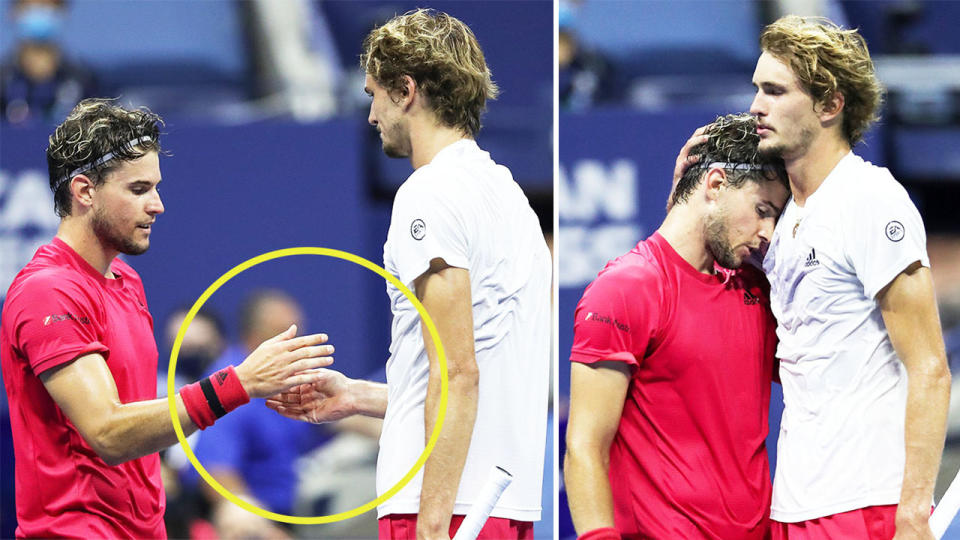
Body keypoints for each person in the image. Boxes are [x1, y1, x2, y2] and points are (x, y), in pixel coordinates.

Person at [268, 9, 551, 540]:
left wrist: (432, 522)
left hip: (444, 504)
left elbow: (457, 373)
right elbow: (470, 367)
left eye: (374, 93)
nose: (372, 114)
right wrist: (358, 395)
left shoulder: (429, 193)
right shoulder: (508, 195)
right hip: (497, 505)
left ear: (406, 90)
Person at [0, 98, 335, 538]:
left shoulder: (125, 279)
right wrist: (240, 383)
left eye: (156, 187)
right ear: (84, 192)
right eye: (138, 190)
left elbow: (140, 425)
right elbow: (108, 432)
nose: (157, 205)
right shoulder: (48, 291)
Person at [746, 16, 951, 539]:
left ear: (830, 105)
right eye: (756, 90)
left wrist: (912, 514)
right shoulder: (786, 216)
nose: (756, 107)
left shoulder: (871, 199)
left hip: (867, 504)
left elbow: (929, 367)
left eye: (774, 91)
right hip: (795, 502)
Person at [564, 113, 790, 539]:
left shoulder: (760, 289)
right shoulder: (624, 290)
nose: (768, 233)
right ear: (716, 184)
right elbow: (584, 447)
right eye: (762, 211)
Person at [0, 0, 98, 124]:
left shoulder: (84, 80)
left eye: (47, 5)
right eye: (31, 6)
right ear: (13, 12)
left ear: (63, 11)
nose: (40, 11)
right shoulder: (3, 80)